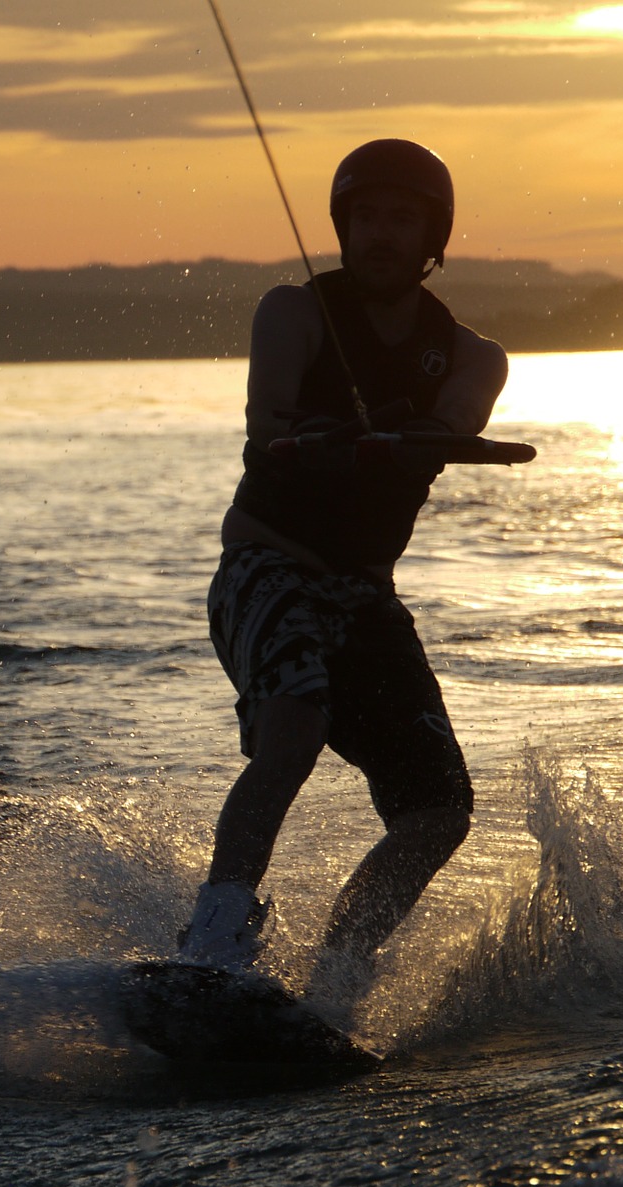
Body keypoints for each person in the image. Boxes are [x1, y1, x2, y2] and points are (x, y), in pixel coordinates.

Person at [176, 138, 509, 989]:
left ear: (433, 237)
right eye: (366, 217)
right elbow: (265, 425)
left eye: (401, 220)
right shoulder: (291, 313)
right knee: (296, 724)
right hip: (267, 567)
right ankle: (213, 942)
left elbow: (460, 421)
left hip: (362, 595)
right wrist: (308, 443)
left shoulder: (474, 354)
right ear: (342, 226)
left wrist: (401, 435)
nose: (380, 235)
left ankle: (336, 976)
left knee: (439, 811)